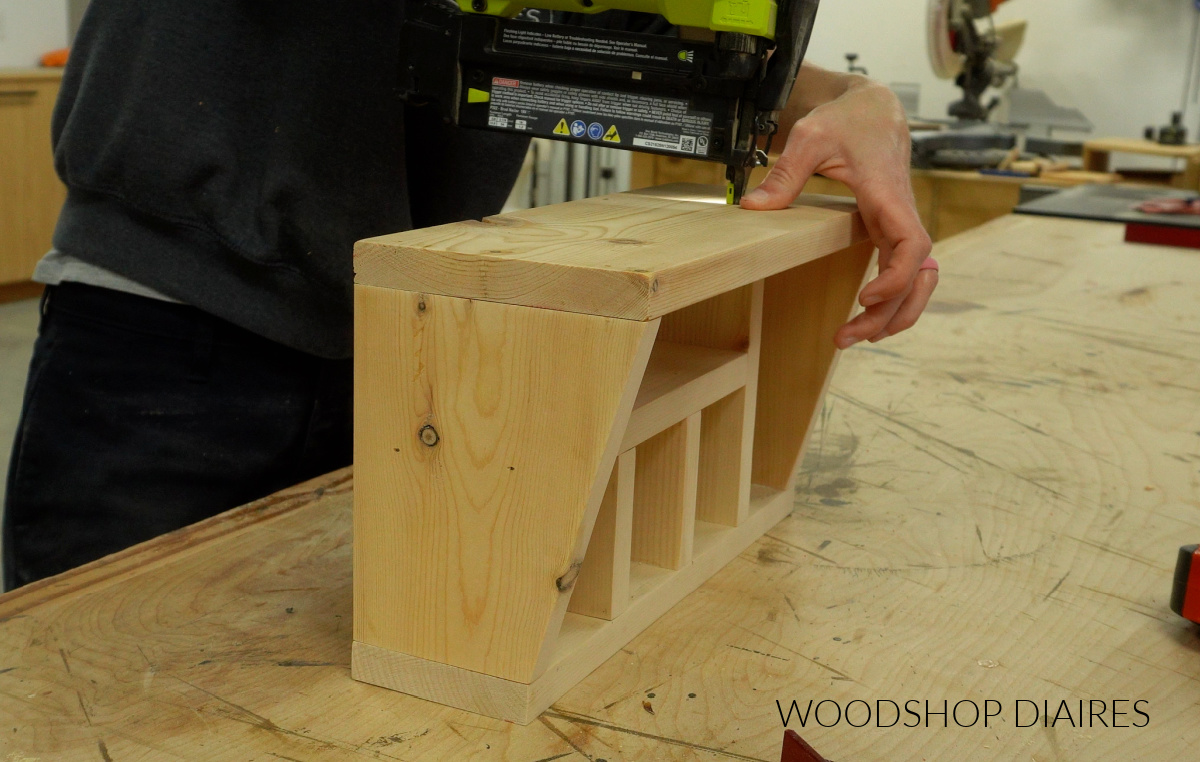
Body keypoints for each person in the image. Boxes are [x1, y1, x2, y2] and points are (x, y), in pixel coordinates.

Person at [2, 2, 935, 591]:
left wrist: (846, 96)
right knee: (84, 708)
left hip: (407, 333)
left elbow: (634, 43)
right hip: (161, 319)